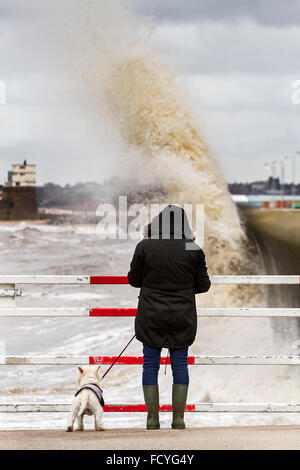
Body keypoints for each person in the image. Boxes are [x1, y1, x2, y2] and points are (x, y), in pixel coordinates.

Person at [128, 204, 211, 430]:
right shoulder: (193, 248)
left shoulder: (145, 246)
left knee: (150, 365)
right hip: (182, 316)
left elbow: (134, 280)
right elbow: (203, 286)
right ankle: (178, 419)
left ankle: (152, 420)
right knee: (180, 365)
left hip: (151, 314)